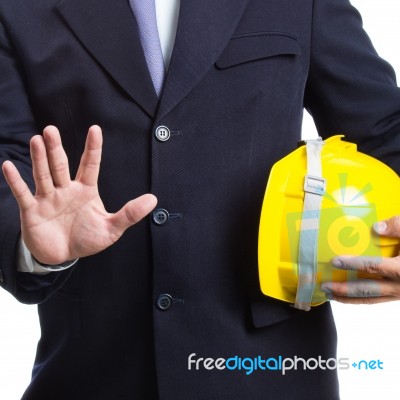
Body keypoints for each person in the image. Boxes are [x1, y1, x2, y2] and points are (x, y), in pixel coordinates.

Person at [1, 0, 400, 399]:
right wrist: (29, 244)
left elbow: (383, 130)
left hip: (270, 373)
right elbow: (7, 160)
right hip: (90, 371)